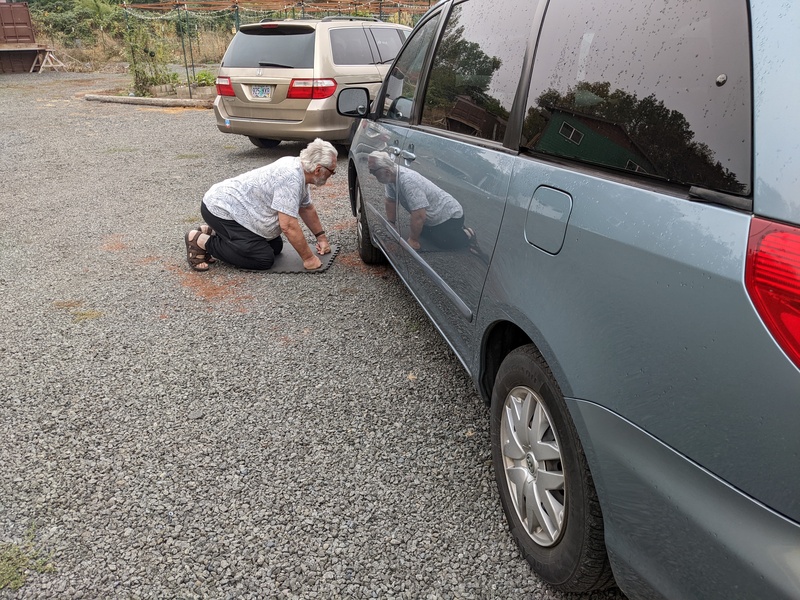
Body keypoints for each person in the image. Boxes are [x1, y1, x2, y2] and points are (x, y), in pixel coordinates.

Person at [184, 138, 337, 271]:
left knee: (275, 247)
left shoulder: (299, 169)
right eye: (332, 171)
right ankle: (201, 241)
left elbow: (306, 208)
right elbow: (288, 226)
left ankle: (216, 231)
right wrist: (309, 258)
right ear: (318, 169)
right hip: (219, 208)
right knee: (262, 258)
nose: (332, 174)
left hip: (237, 210)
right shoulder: (290, 178)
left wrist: (321, 238)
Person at [367, 151, 473, 251]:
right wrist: (391, 223)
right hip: (431, 216)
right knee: (423, 233)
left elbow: (419, 215)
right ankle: (439, 231)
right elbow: (390, 201)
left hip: (450, 215)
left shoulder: (408, 180)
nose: (370, 173)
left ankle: (467, 234)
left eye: (372, 171)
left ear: (386, 171)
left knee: (441, 242)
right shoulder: (390, 176)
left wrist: (413, 240)